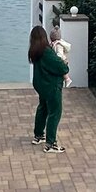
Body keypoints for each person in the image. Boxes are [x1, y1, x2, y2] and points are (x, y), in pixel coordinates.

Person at [29, 24, 69, 153]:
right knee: (55, 113)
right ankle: (50, 144)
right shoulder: (46, 51)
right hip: (51, 86)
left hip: (41, 86)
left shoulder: (34, 51)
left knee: (43, 108)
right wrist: (65, 64)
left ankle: (38, 135)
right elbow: (61, 68)